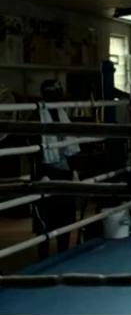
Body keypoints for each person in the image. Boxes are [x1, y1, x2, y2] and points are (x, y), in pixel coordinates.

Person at [32, 79, 80, 260]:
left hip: (64, 170)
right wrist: (41, 172)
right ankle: (43, 257)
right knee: (45, 218)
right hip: (47, 171)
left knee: (65, 215)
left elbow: (70, 144)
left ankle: (63, 254)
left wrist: (74, 170)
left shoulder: (62, 113)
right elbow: (33, 148)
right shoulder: (36, 115)